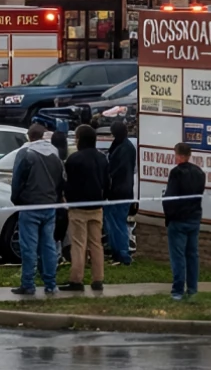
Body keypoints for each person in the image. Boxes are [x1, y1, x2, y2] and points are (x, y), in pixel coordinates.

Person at [9, 122, 63, 297]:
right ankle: (50, 283)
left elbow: (17, 180)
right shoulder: (55, 153)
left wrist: (16, 200)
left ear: (29, 136)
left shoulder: (26, 153)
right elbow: (60, 180)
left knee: (28, 247)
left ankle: (28, 284)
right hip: (50, 205)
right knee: (48, 246)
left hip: (30, 205)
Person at [62, 124, 109, 293]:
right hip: (97, 206)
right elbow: (106, 182)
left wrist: (68, 199)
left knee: (78, 244)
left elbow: (68, 183)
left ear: (80, 139)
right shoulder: (102, 158)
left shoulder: (74, 159)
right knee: (96, 244)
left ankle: (76, 280)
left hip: (78, 207)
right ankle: (98, 279)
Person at [164, 142, 207, 301]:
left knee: (178, 256)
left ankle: (177, 291)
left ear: (179, 155)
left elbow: (171, 197)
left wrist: (168, 215)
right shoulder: (199, 172)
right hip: (194, 217)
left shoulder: (176, 173)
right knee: (192, 255)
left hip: (178, 219)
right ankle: (193, 289)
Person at [105, 119, 137, 265]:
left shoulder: (124, 148)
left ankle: (122, 254)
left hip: (119, 191)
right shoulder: (125, 145)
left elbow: (117, 170)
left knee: (118, 222)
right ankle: (116, 251)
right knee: (115, 221)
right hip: (123, 190)